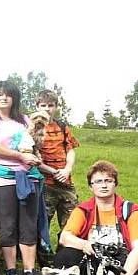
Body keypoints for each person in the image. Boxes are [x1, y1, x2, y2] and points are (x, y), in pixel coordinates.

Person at [0, 81, 42, 275]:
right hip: (2, 177)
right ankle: (10, 271)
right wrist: (20, 156)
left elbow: (32, 144)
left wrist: (34, 153)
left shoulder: (24, 120)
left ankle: (29, 271)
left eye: (8, 94)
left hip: (28, 177)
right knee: (7, 226)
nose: (4, 98)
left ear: (14, 98)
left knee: (28, 224)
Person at [35, 90, 80, 232]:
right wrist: (53, 172)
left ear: (56, 107)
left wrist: (67, 169)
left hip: (65, 182)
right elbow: (33, 157)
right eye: (43, 105)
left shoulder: (62, 126)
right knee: (42, 223)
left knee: (72, 222)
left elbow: (70, 149)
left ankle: (66, 252)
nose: (47, 109)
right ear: (37, 107)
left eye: (51, 105)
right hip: (45, 183)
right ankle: (42, 253)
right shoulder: (33, 128)